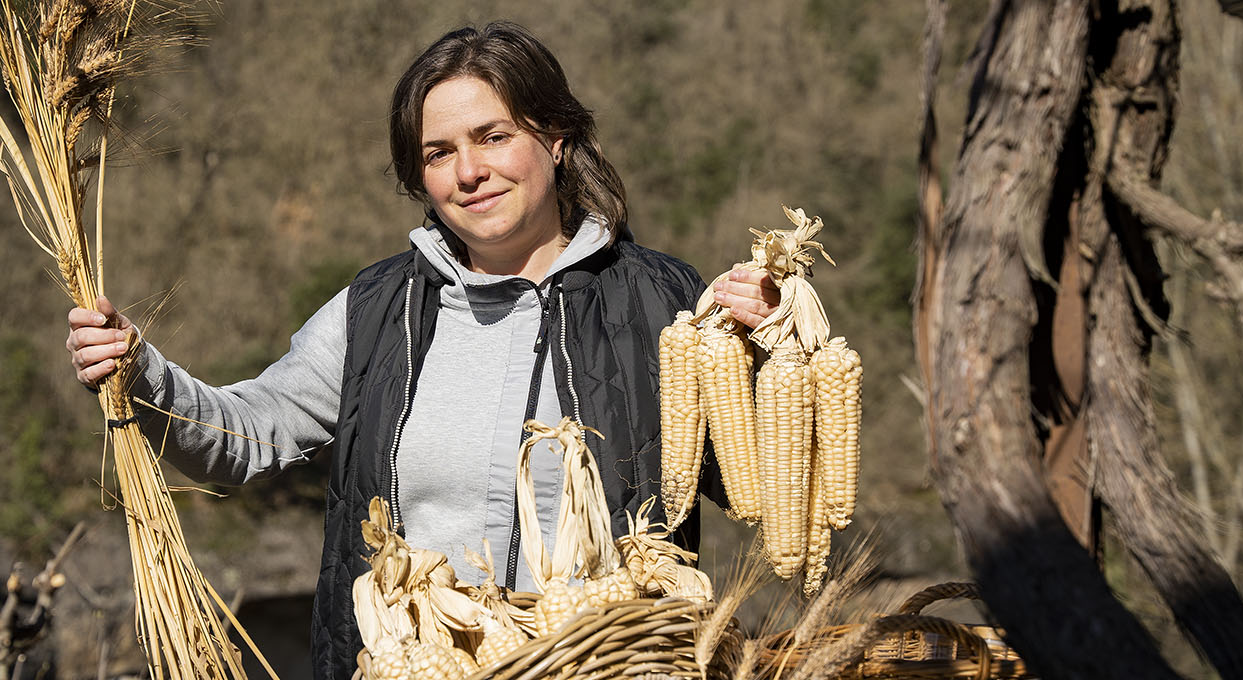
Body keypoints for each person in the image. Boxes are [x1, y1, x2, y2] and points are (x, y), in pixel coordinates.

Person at [64, 21, 780, 678]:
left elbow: (754, 488)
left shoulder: (660, 302)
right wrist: (140, 372)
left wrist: (774, 353)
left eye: (493, 137)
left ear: (556, 138)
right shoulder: (378, 311)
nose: (469, 172)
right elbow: (245, 435)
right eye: (440, 153)